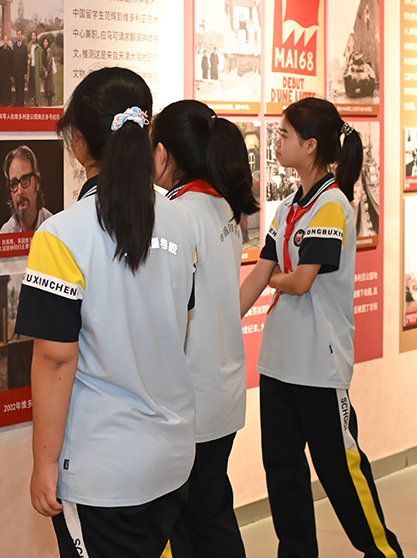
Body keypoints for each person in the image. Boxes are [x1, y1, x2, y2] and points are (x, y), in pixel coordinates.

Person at [15, 67, 196, 558]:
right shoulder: (179, 217)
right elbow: (180, 323)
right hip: (171, 458)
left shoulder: (60, 236)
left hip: (102, 474)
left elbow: (55, 358)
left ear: (78, 142)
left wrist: (44, 463)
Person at [240, 97, 404, 558]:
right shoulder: (287, 208)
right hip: (278, 362)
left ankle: (384, 552)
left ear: (311, 145)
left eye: (285, 134)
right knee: (283, 474)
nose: (276, 141)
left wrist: (272, 277)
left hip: (318, 364)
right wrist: (221, 324)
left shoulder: (332, 205)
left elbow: (299, 281)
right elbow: (259, 275)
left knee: (341, 473)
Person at [152, 100, 259, 558]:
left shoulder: (175, 213)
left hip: (192, 400)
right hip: (222, 393)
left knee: (193, 524)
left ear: (164, 154)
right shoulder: (222, 206)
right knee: (209, 516)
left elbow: (170, 312)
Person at [0, 145, 53, 233]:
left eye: (25, 180)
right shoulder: (5, 232)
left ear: (37, 183)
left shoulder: (53, 228)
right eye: (14, 183)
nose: (20, 192)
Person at [0, 30, 14, 107]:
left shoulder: (10, 51)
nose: (5, 41)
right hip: (1, 73)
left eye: (6, 40)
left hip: (8, 73)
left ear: (8, 41)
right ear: (3, 41)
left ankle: (8, 101)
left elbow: (12, 63)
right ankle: (2, 101)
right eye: (4, 40)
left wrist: (11, 75)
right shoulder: (0, 50)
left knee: (7, 88)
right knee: (2, 87)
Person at [40, 36, 56, 107]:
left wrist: (47, 70)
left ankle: (50, 104)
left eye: (46, 42)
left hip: (49, 73)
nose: (45, 43)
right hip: (45, 73)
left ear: (48, 43)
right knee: (46, 89)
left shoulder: (49, 51)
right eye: (44, 42)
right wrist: (44, 70)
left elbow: (50, 62)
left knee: (50, 89)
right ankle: (48, 104)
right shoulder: (43, 51)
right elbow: (41, 62)